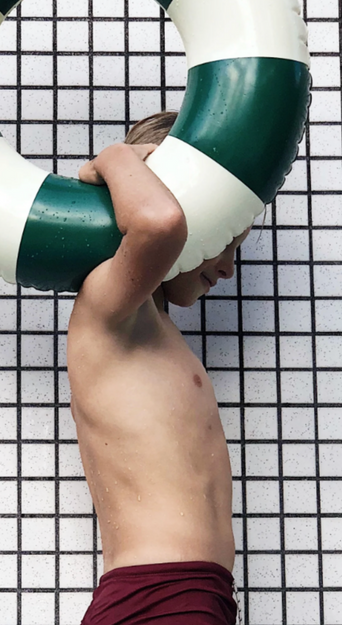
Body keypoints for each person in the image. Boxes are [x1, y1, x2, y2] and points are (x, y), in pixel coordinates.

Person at [68, 111, 251, 625]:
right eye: (222, 239)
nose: (228, 266)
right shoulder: (106, 309)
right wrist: (116, 159)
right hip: (161, 594)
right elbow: (158, 224)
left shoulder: (153, 330)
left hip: (194, 594)